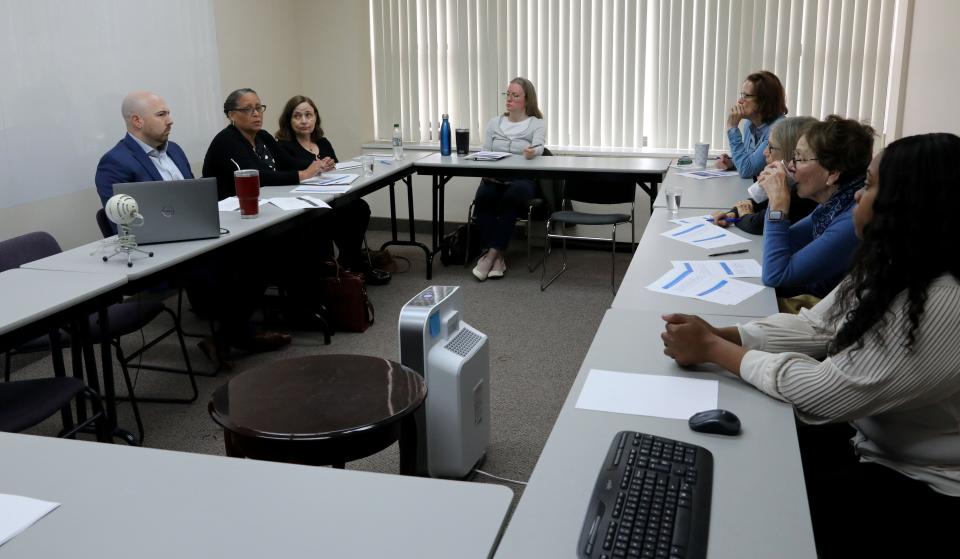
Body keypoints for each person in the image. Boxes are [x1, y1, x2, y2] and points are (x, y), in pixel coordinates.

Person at [660, 132, 960, 557]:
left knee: (755, 516)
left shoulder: (942, 300)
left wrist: (713, 350)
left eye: (871, 186)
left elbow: (823, 396)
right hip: (870, 437)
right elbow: (816, 328)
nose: (859, 196)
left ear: (910, 202)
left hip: (921, 480)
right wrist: (723, 334)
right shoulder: (893, 263)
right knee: (742, 461)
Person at [94, 91, 291, 367]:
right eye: (162, 114)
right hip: (162, 254)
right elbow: (123, 223)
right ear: (137, 121)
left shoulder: (174, 150)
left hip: (200, 239)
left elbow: (191, 200)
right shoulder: (114, 163)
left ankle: (229, 335)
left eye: (168, 113)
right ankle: (235, 335)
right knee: (247, 261)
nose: (170, 120)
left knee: (266, 246)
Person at [753, 115, 873, 298]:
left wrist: (778, 203)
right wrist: (775, 194)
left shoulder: (852, 219)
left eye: (799, 159)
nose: (791, 167)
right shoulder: (833, 204)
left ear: (832, 173)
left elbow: (775, 275)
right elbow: (784, 245)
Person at [274, 95, 389, 284]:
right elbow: (293, 169)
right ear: (288, 119)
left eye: (308, 115)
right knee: (334, 218)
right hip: (305, 203)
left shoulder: (323, 142)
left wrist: (328, 166)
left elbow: (335, 166)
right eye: (297, 116)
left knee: (359, 207)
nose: (304, 121)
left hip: (330, 194)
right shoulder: (284, 146)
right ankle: (347, 267)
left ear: (315, 117)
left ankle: (348, 262)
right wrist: (315, 167)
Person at [471, 77, 546, 281]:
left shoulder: (536, 124)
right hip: (495, 177)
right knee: (483, 198)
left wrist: (532, 152)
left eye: (515, 95)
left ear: (527, 99)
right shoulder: (495, 122)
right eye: (508, 94)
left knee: (512, 198)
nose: (509, 99)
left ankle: (490, 255)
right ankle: (499, 257)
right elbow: (486, 150)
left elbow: (539, 147)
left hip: (522, 180)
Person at [201, 88, 325, 200]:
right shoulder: (226, 140)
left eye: (259, 108)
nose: (256, 113)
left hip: (263, 200)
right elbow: (256, 176)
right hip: (229, 211)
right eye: (248, 109)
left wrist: (319, 165)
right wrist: (302, 175)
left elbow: (289, 162)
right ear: (231, 115)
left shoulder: (262, 136)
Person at [711, 116, 818, 234]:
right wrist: (733, 213)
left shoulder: (803, 194)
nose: (765, 152)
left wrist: (744, 215)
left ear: (790, 154)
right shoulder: (792, 183)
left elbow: (758, 224)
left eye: (770, 147)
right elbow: (762, 202)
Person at [714, 71, 787, 179]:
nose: (740, 101)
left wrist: (732, 128)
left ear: (764, 101)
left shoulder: (779, 129)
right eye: (741, 95)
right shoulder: (750, 124)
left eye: (746, 96)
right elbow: (751, 161)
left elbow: (746, 170)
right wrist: (732, 162)